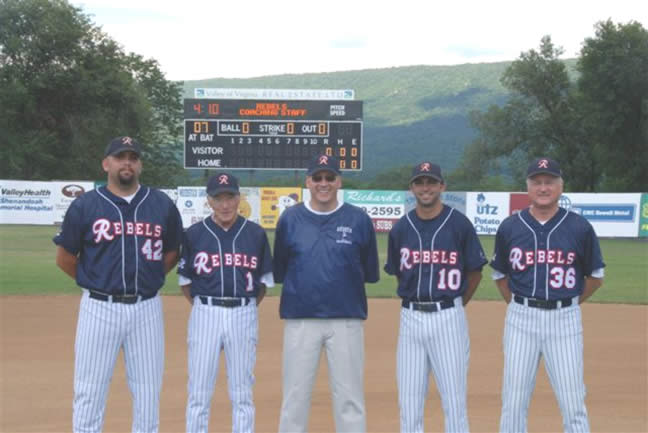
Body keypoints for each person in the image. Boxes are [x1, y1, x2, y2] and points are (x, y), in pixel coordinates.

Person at [53, 136, 183, 433]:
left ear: (140, 165)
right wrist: (96, 281)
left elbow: (172, 251)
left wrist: (148, 277)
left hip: (146, 308)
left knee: (148, 392)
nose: (127, 162)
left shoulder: (160, 204)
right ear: (106, 163)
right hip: (99, 308)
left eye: (133, 157)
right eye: (120, 156)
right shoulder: (85, 205)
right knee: (89, 390)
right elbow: (64, 257)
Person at [490, 157, 605, 433]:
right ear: (528, 187)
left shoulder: (579, 227)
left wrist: (569, 303)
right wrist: (521, 304)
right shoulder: (510, 226)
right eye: (537, 182)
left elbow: (595, 277)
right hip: (521, 317)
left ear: (560, 186)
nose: (543, 187)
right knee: (514, 400)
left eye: (549, 181)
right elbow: (500, 276)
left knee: (572, 399)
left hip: (564, 318)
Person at [274, 153, 380, 432]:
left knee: (350, 398)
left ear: (338, 181)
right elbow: (281, 268)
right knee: (294, 398)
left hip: (346, 319)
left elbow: (369, 272)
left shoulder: (358, 219)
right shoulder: (290, 219)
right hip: (300, 318)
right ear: (308, 181)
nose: (324, 183)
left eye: (329, 177)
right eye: (318, 177)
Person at [384, 161, 487, 432]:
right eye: (420, 182)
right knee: (409, 401)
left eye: (431, 182)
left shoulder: (459, 224)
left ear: (442, 186)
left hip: (449, 318)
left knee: (453, 401)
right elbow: (398, 272)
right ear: (412, 188)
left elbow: (475, 272)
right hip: (410, 318)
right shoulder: (401, 228)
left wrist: (454, 305)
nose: (425, 187)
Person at [177, 172, 273, 433]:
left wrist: (245, 306)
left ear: (239, 198)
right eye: (218, 198)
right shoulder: (194, 234)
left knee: (242, 391)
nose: (225, 204)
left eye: (230, 196)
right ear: (209, 201)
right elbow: (186, 283)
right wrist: (205, 305)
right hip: (205, 312)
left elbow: (263, 284)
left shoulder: (255, 233)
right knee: (199, 391)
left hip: (243, 312)